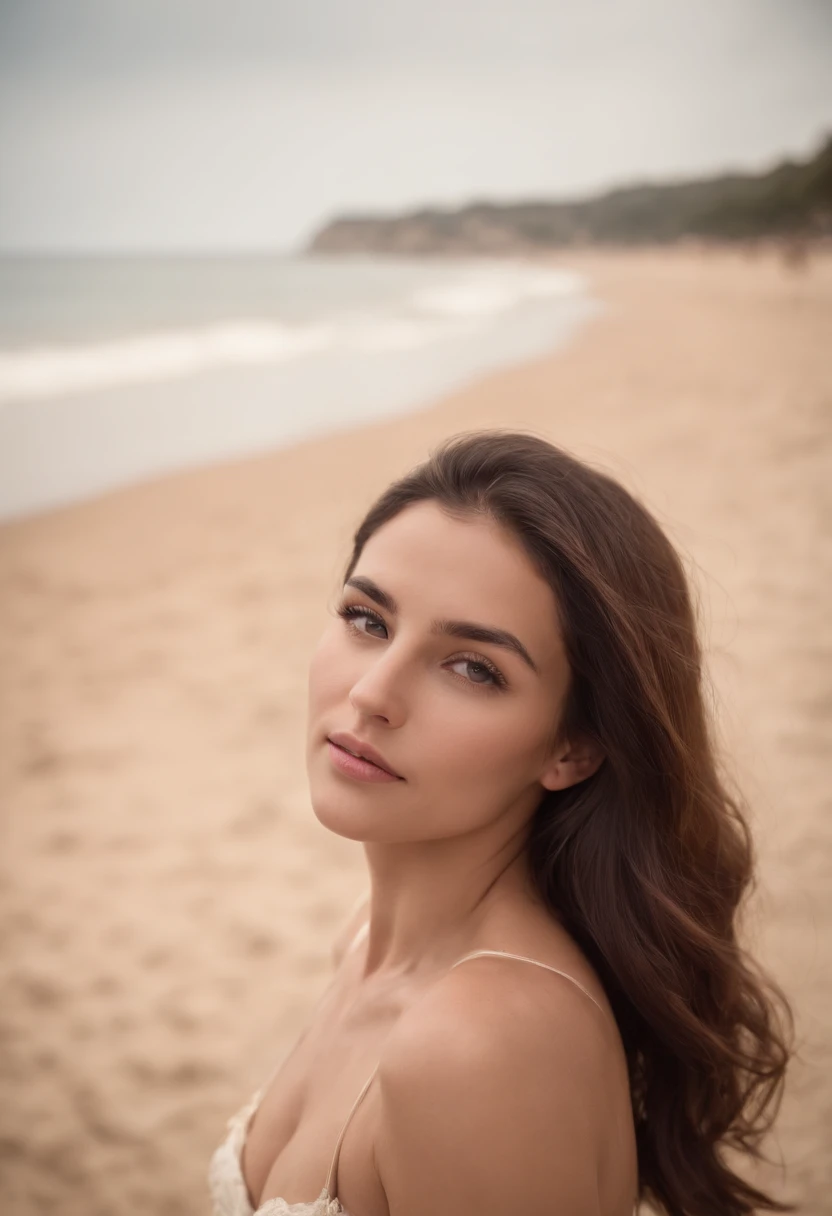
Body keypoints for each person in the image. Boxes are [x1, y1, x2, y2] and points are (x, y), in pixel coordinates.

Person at [209, 429, 793, 1216]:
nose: (374, 691)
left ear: (573, 748)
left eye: (473, 667)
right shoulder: (363, 941)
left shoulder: (479, 1049)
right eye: (366, 618)